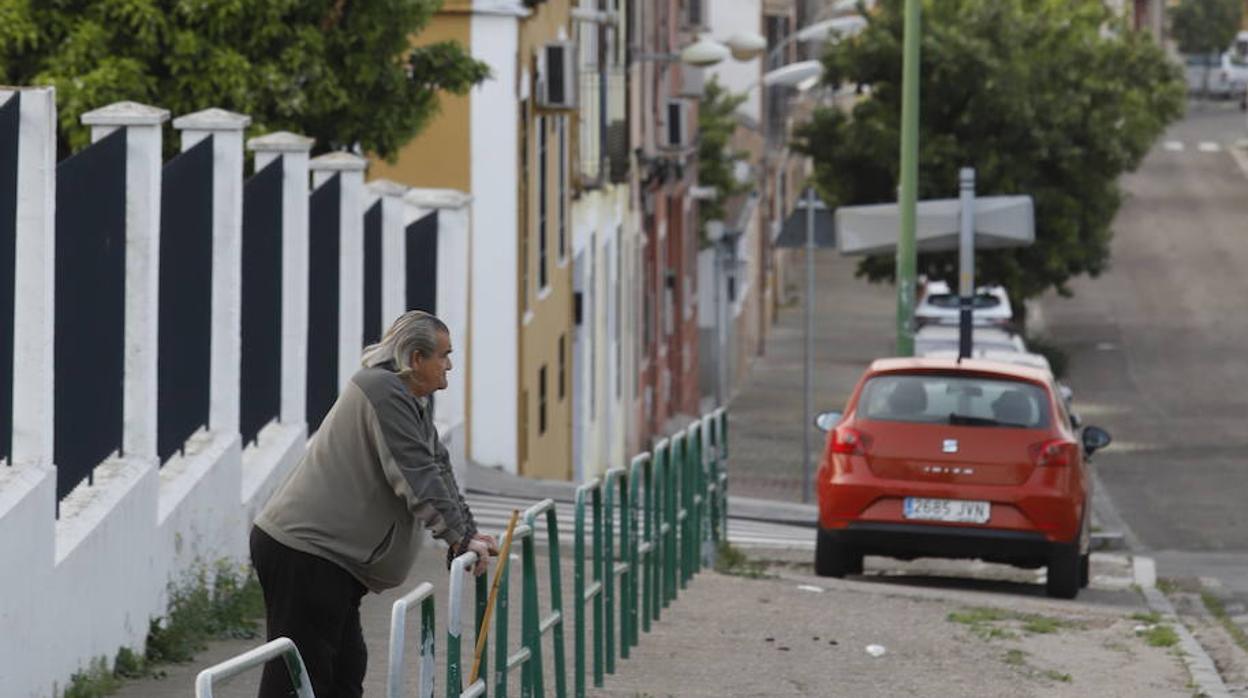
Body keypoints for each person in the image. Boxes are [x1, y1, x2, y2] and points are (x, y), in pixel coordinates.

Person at [250, 310, 497, 697]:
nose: (449, 365)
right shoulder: (382, 392)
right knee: (300, 679)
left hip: (331, 559)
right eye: (444, 355)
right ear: (416, 358)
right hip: (307, 550)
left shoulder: (405, 399)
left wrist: (466, 533)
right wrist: (457, 538)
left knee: (345, 672)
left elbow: (438, 468)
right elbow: (415, 475)